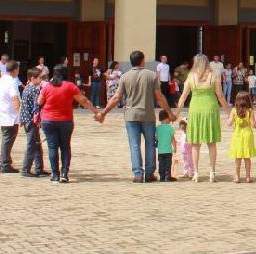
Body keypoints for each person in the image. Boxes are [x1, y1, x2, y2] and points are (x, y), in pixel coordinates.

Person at [98, 51, 175, 183]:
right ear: (142, 61)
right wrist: (169, 112)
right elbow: (159, 96)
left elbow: (117, 98)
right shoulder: (151, 75)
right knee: (150, 144)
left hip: (131, 115)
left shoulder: (125, 77)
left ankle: (138, 174)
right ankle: (150, 173)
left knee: (134, 145)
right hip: (147, 114)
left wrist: (103, 113)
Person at [37, 63, 100, 183]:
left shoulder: (47, 87)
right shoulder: (70, 86)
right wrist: (96, 111)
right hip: (65, 120)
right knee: (65, 146)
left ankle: (55, 174)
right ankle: (64, 174)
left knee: (52, 147)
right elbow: (84, 101)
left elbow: (39, 102)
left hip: (48, 120)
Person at [176, 55, 230, 182]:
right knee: (211, 142)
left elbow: (183, 97)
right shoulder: (214, 75)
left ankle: (196, 173)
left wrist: (176, 113)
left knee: (195, 143)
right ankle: (212, 172)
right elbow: (221, 96)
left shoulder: (191, 76)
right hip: (210, 108)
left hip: (196, 108)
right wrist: (229, 113)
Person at [0, 63, 21, 173]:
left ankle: (4, 161)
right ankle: (5, 164)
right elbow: (15, 99)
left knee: (5, 139)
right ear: (15, 70)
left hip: (2, 114)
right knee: (8, 140)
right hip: (11, 115)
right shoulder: (12, 82)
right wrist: (21, 114)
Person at [19, 66, 47, 177]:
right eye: (39, 78)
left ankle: (39, 168)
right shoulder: (35, 90)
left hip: (27, 119)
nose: (41, 80)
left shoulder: (26, 88)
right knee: (31, 144)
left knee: (36, 144)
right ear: (32, 78)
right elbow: (37, 105)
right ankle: (26, 169)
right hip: (31, 120)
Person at [226, 91, 256, 183]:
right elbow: (253, 124)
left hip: (237, 136)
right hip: (248, 135)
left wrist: (228, 118)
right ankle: (248, 177)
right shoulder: (250, 111)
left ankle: (237, 177)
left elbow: (229, 123)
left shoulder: (234, 111)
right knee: (247, 158)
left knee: (238, 158)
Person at [154, 109, 176, 182]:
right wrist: (175, 147)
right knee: (168, 164)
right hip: (168, 151)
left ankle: (162, 177)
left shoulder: (158, 128)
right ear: (167, 118)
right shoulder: (169, 127)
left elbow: (156, 138)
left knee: (161, 164)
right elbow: (173, 139)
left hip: (160, 151)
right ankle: (167, 177)